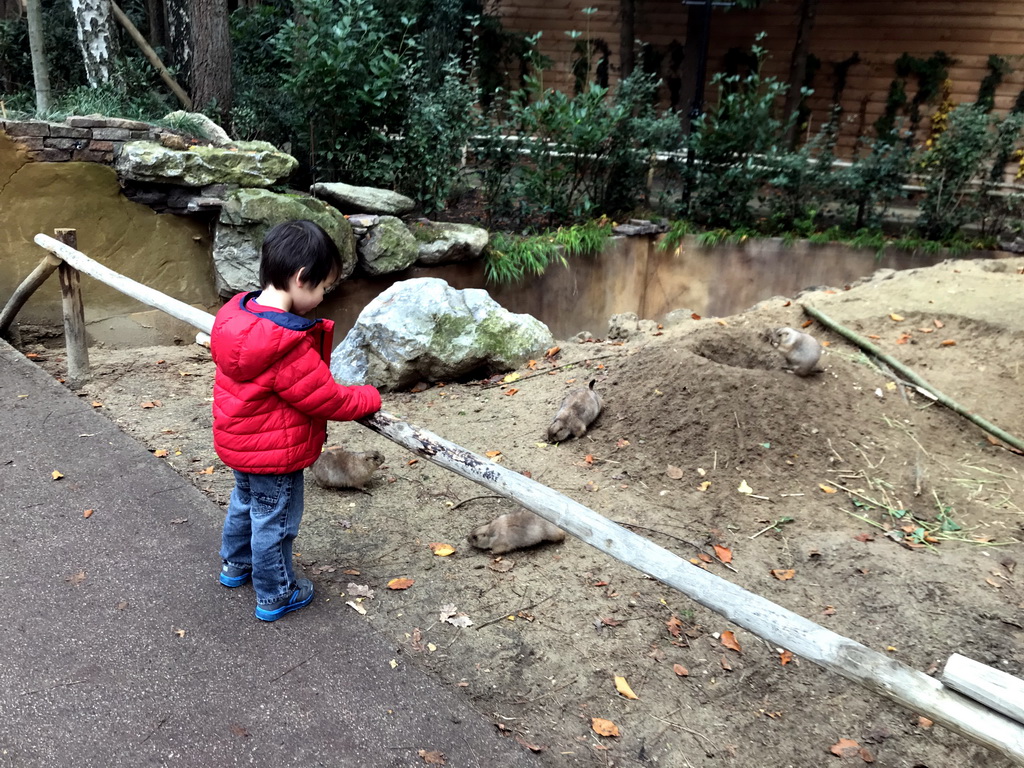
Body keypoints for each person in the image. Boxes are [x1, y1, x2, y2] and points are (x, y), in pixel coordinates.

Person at [209, 220, 381, 621]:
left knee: (244, 503)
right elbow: (328, 398)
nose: (323, 297)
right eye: (323, 288)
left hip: (239, 444)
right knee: (275, 521)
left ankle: (235, 567)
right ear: (302, 279)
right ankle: (276, 593)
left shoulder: (237, 317)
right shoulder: (286, 344)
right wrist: (368, 396)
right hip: (274, 454)